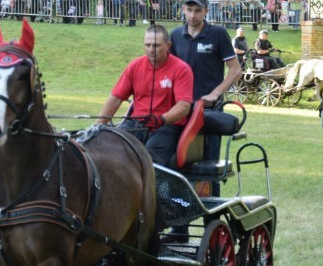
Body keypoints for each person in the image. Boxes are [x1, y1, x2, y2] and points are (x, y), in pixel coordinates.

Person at [167, 0, 241, 242]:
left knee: (209, 170)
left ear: (206, 11)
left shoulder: (217, 34)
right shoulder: (175, 35)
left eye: (197, 10)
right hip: (181, 111)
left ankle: (213, 229)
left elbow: (234, 70)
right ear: (183, 10)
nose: (192, 15)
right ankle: (180, 229)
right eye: (189, 10)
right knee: (178, 169)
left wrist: (216, 94)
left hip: (207, 114)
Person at [95, 25, 194, 168]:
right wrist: (97, 126)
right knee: (109, 150)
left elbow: (184, 106)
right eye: (147, 45)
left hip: (166, 127)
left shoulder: (181, 69)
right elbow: (116, 98)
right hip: (135, 123)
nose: (151, 50)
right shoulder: (135, 66)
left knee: (149, 161)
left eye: (156, 45)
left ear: (168, 45)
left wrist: (161, 119)